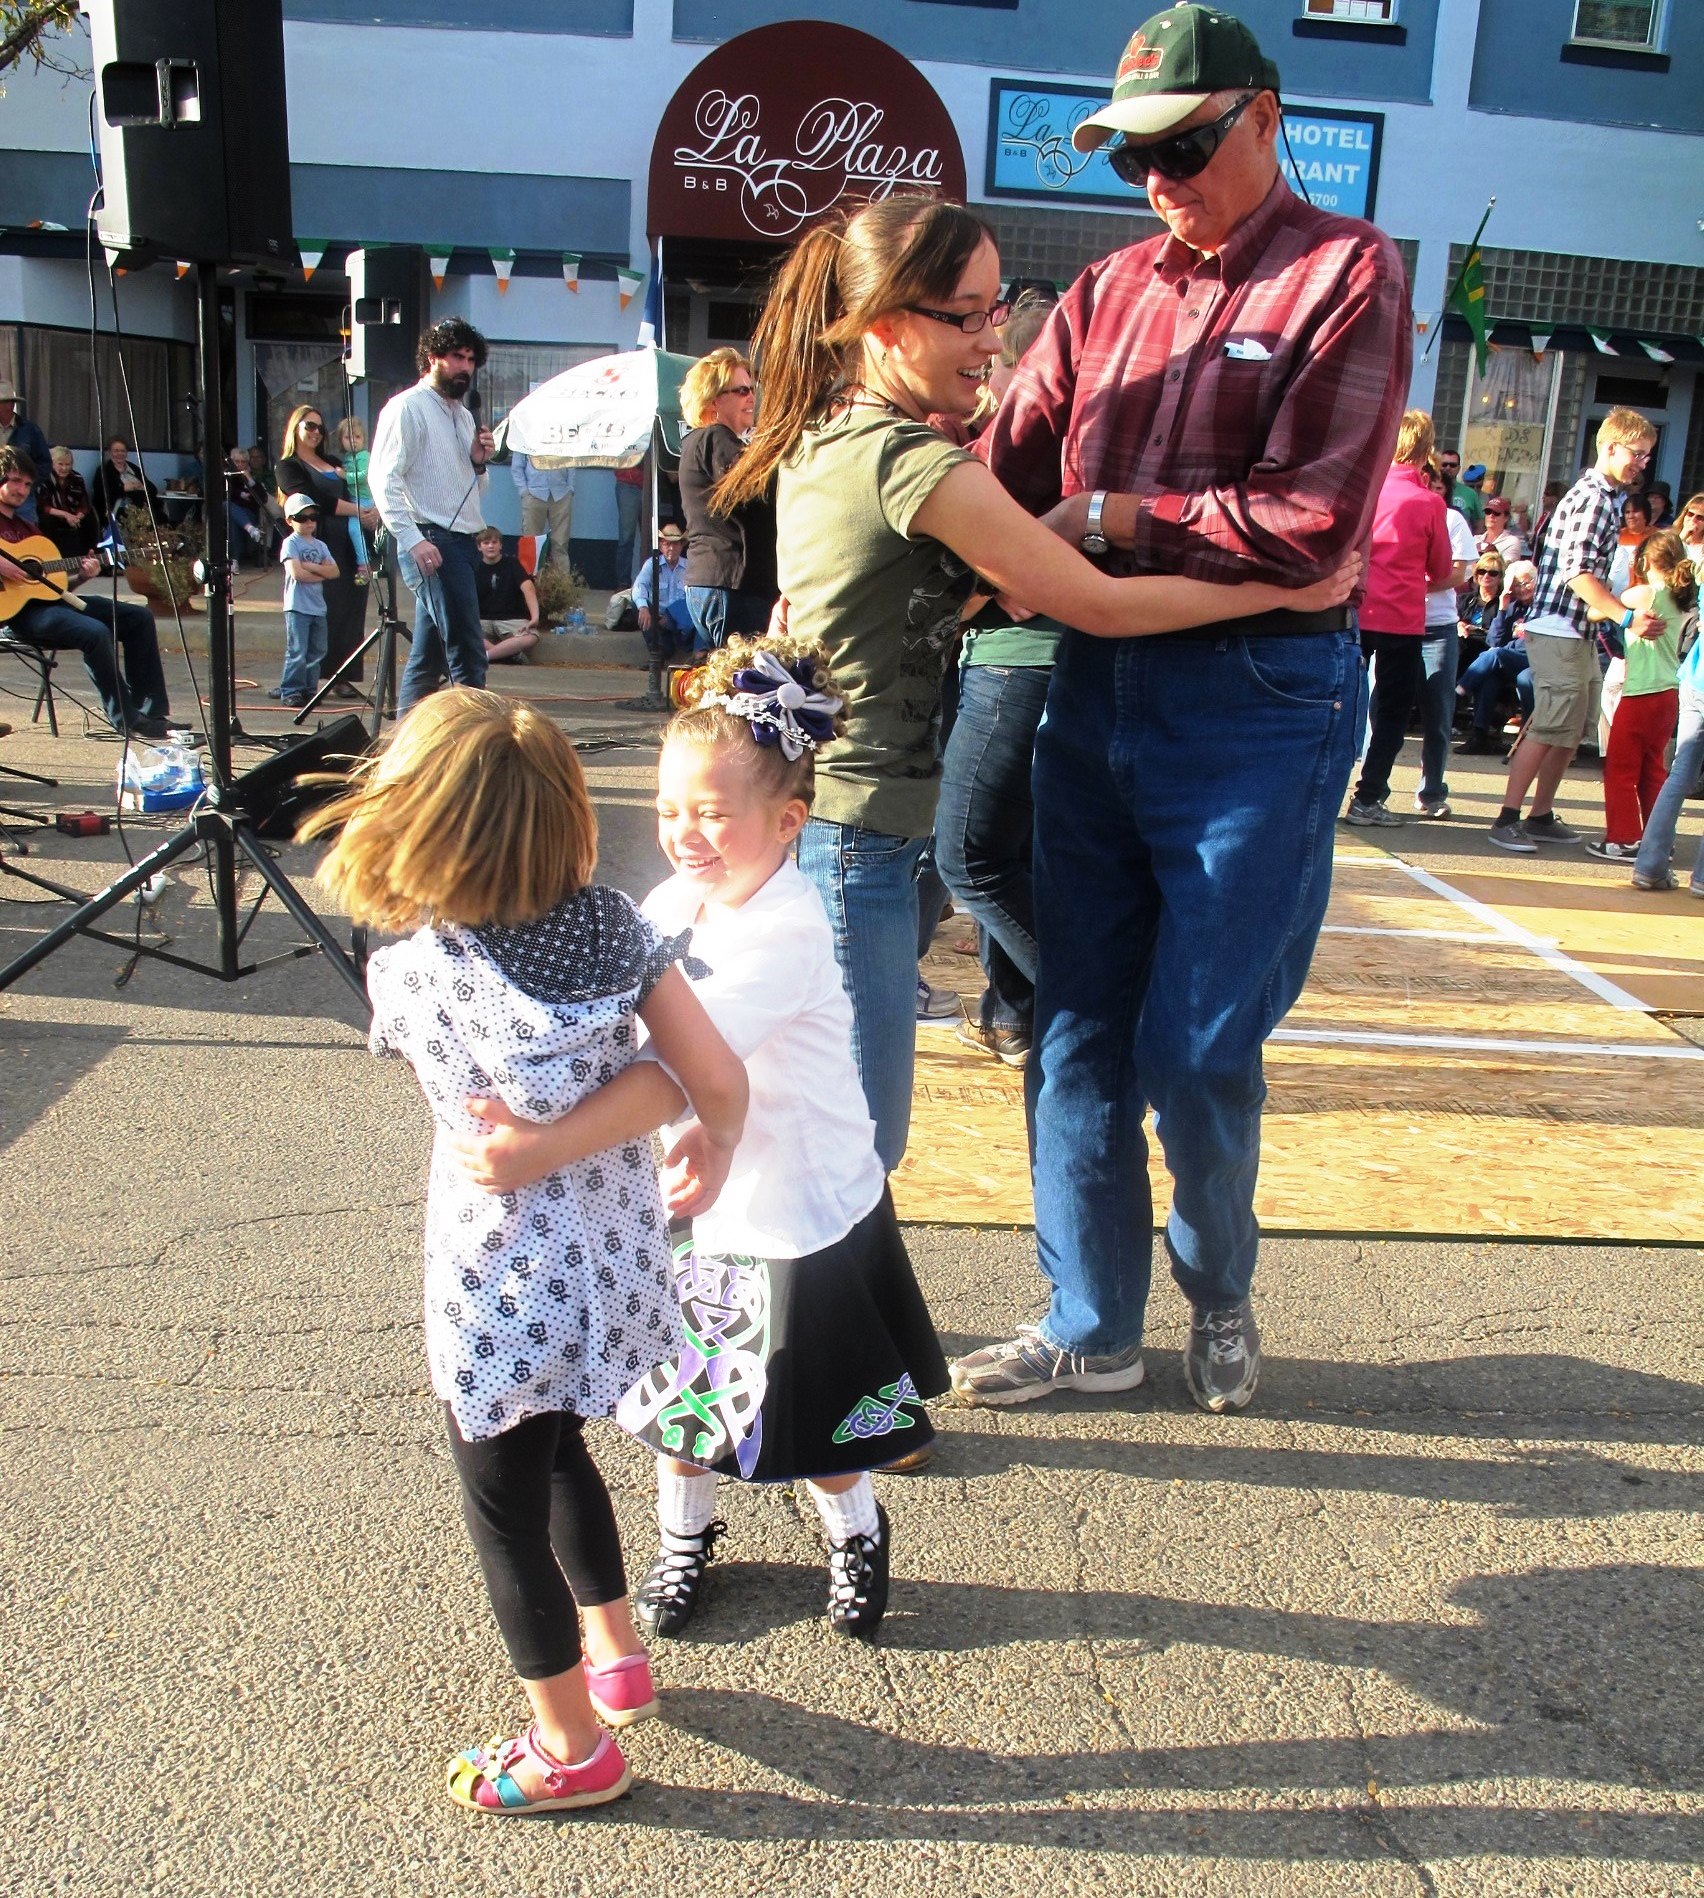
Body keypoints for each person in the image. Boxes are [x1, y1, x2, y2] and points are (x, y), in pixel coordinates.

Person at [713, 185, 1364, 1184]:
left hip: (843, 824)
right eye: (965, 315)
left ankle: (779, 1327)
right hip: (855, 837)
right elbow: (1097, 605)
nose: (993, 337)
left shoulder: (838, 429)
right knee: (853, 1145)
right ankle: (746, 1333)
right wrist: (1282, 590)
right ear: (886, 326)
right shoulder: (909, 459)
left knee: (826, 1127)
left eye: (997, 305)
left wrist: (1058, 526)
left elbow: (947, 588)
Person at [949, 4, 1409, 1413]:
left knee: (1199, 1043)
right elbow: (997, 473)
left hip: (1261, 703)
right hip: (1100, 683)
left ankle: (1217, 1287)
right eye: (1132, 158)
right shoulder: (1101, 294)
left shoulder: (1348, 269)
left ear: (1265, 114)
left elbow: (1315, 520)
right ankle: (1092, 1321)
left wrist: (1100, 517)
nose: (1158, 179)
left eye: (1186, 144)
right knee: (1078, 1024)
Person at [300, 688, 747, 1816]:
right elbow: (710, 1079)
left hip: (498, 1279)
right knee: (559, 1454)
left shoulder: (412, 958)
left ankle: (571, 1742)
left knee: (501, 1498)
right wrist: (708, 1140)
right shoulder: (613, 929)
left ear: (417, 820)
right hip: (611, 1261)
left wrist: (523, 1148)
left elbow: (461, 1110)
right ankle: (617, 1653)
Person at [937, 289, 1058, 1067]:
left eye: (999, 355)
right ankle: (1015, 1012)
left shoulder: (1024, 440)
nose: (986, 370)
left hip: (1018, 659)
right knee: (1007, 854)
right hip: (1026, 659)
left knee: (970, 857)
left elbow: (1000, 577)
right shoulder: (1015, 439)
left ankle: (1085, 1004)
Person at [1488, 408, 1661, 853]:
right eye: (1637, 454)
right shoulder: (1594, 499)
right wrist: (1625, 617)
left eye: (1645, 456)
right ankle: (1507, 818)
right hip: (1561, 626)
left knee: (1571, 726)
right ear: (1610, 448)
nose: (1641, 464)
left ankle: (1540, 814)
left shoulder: (1605, 496)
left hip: (1575, 628)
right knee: (1549, 724)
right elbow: (1578, 572)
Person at [0, 447, 173, 738]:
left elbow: (51, 588)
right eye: (15, 481)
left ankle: (150, 712)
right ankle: (125, 719)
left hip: (48, 605)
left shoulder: (29, 530)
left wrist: (81, 575)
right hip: (16, 617)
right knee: (94, 632)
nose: (22, 490)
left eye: (27, 484)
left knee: (138, 617)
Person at [371, 319, 496, 716]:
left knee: (429, 658)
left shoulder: (462, 415)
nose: (465, 367)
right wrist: (412, 539)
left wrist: (479, 464)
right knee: (467, 653)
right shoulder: (407, 407)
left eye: (471, 359)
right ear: (433, 358)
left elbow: (474, 493)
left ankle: (408, 747)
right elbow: (383, 478)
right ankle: (474, 746)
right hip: (429, 539)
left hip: (461, 539)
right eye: (456, 356)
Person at [1344, 412, 1456, 826]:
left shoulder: (1365, 490)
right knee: (1390, 715)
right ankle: (1368, 797)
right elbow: (1442, 568)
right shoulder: (1429, 502)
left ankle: (1326, 791)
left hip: (1355, 609)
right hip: (1402, 619)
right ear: (1426, 451)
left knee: (1341, 705)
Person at [1587, 530, 1696, 862]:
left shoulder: (1645, 593)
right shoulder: (1682, 596)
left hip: (1641, 692)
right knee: (1653, 768)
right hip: (1669, 691)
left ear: (1647, 560)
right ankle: (1658, 837)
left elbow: (1596, 611)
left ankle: (1623, 837)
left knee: (1620, 768)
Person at [677, 349, 778, 655]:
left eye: (752, 390)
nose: (751, 398)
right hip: (732, 583)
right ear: (714, 400)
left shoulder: (704, 441)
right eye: (742, 390)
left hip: (721, 581)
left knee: (732, 685)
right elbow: (757, 486)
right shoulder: (715, 437)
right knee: (743, 686)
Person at [276, 405, 376, 698]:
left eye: (320, 427)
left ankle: (342, 676)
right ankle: (302, 681)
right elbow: (313, 500)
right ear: (296, 428)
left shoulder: (333, 460)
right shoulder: (288, 466)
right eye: (309, 426)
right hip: (315, 543)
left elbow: (355, 488)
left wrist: (369, 512)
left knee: (350, 609)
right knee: (315, 611)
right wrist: (359, 510)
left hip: (349, 540)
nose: (316, 432)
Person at [1411, 458, 1477, 816]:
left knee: (1438, 711)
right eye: (1427, 483)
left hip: (1437, 626)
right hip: (1397, 622)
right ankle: (1370, 791)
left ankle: (1431, 791)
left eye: (1439, 487)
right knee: (1384, 709)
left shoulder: (1452, 520)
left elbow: (1458, 574)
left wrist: (1416, 586)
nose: (1432, 491)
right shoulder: (1401, 510)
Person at [1456, 558, 1536, 754]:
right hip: (1511, 660)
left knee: (1498, 656)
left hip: (1535, 659)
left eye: (1526, 583)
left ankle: (1458, 692)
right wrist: (1502, 606)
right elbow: (1494, 640)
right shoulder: (1512, 606)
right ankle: (1480, 735)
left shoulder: (1541, 607)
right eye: (1517, 584)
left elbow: (1498, 649)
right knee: (1490, 678)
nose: (1522, 588)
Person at [268, 493, 338, 707]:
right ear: (290, 521)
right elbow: (297, 574)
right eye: (302, 518)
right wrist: (321, 572)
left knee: (317, 651)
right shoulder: (291, 544)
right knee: (297, 650)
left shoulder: (321, 545)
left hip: (318, 607)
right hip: (297, 606)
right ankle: (291, 689)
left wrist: (311, 567)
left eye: (313, 517)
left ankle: (309, 688)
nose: (309, 522)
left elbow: (334, 571)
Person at [622, 524, 695, 711]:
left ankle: (667, 652)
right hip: (656, 616)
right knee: (639, 607)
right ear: (661, 546)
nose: (671, 548)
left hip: (676, 621)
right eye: (667, 544)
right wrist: (645, 608)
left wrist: (671, 619)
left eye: (676, 544)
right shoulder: (652, 564)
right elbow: (639, 587)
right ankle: (656, 653)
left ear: (681, 546)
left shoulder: (688, 567)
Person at [473, 525, 541, 663]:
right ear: (479, 547)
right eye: (486, 543)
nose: (491, 546)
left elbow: (528, 588)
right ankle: (507, 656)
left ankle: (487, 656)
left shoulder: (512, 564)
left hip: (511, 619)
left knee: (531, 637)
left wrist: (535, 617)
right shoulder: (474, 568)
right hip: (482, 620)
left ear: (501, 545)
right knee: (460, 632)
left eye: (494, 542)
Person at [511, 451, 575, 572]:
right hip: (533, 493)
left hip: (561, 493)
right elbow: (517, 466)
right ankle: (531, 584)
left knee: (560, 543)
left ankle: (561, 586)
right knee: (531, 543)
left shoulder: (562, 433)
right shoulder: (526, 434)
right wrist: (524, 491)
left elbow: (571, 460)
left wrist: (570, 488)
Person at [0, 379, 50, 524]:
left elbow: (45, 462)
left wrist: (26, 484)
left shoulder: (30, 431)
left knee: (27, 536)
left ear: (10, 404)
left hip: (23, 499)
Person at [38, 446, 98, 560]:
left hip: (74, 517)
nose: (64, 468)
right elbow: (43, 506)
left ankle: (90, 557)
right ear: (52, 463)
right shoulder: (44, 479)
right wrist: (65, 515)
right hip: (54, 516)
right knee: (46, 520)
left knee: (90, 520)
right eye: (60, 464)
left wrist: (79, 516)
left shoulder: (77, 478)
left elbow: (84, 504)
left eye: (68, 464)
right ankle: (50, 557)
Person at [90, 436, 158, 527]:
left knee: (160, 515)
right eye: (116, 451)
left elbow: (153, 489)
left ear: (126, 453)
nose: (120, 454)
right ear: (110, 452)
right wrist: (123, 488)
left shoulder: (134, 469)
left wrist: (139, 486)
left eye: (123, 451)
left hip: (143, 507)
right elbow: (101, 493)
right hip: (118, 510)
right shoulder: (104, 470)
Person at [225, 447, 274, 568]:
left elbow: (263, 498)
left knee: (234, 520)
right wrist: (240, 494)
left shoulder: (251, 476)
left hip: (248, 513)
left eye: (243, 462)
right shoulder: (226, 474)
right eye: (237, 461)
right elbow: (222, 492)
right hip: (228, 510)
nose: (240, 465)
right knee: (227, 505)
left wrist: (250, 480)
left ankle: (234, 560)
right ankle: (251, 529)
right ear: (232, 461)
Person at [1437, 446, 1485, 534]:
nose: (1448, 468)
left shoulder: (1470, 493)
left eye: (1452, 465)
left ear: (1459, 468)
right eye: (1444, 464)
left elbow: (1479, 524)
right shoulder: (1429, 488)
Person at [614, 463, 644, 585]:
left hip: (653, 482)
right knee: (626, 538)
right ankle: (623, 583)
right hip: (628, 484)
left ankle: (652, 583)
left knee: (653, 539)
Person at [1479, 495, 1526, 566]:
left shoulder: (1511, 542)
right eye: (1488, 512)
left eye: (1496, 513)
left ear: (1506, 518)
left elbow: (1505, 568)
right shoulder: (1475, 540)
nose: (1491, 516)